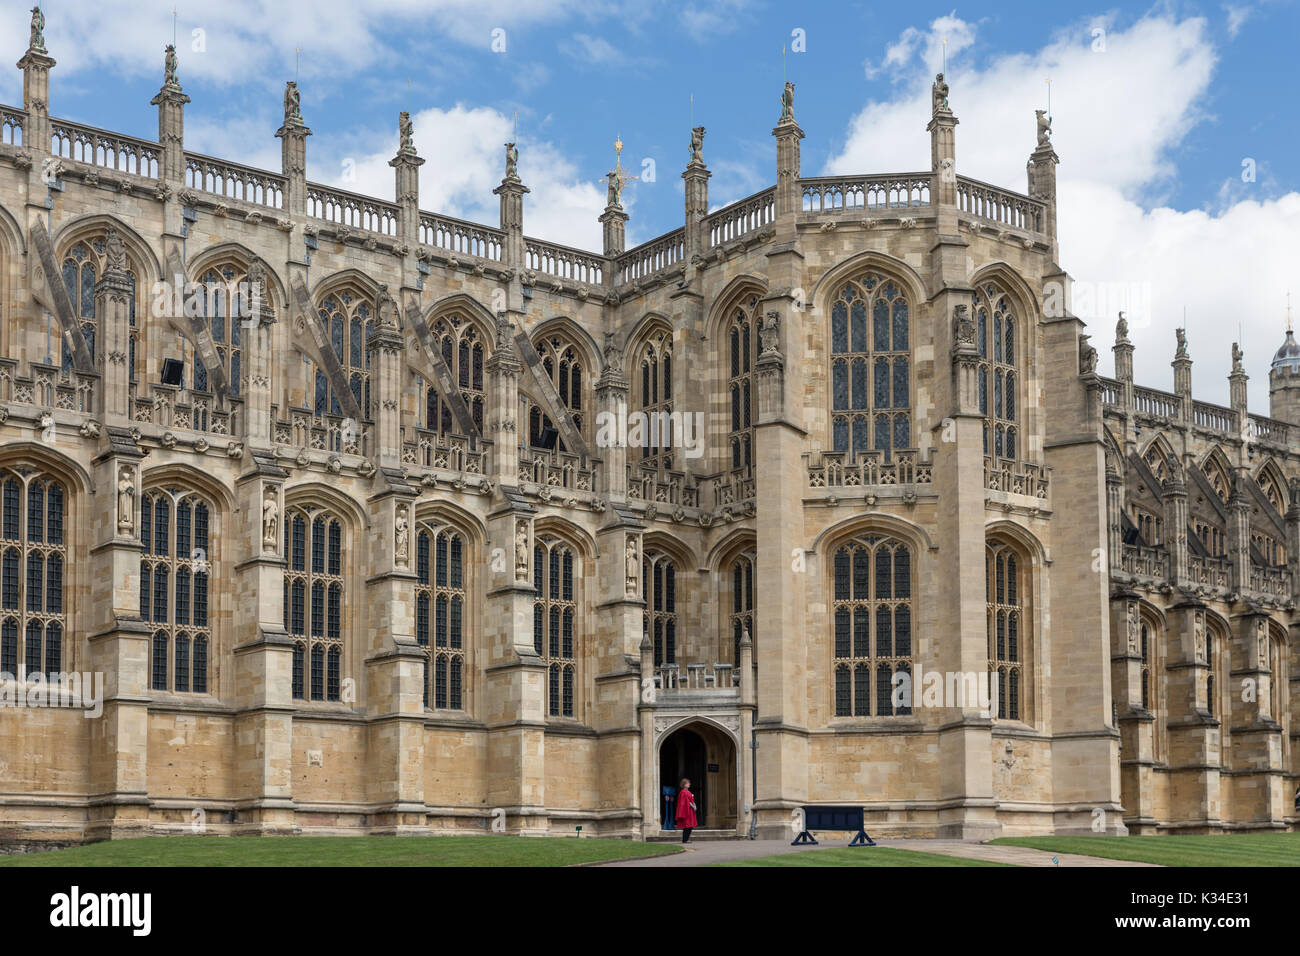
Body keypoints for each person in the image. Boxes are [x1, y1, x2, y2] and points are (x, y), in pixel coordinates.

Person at [674, 778, 698, 844]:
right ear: (684, 784)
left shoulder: (688, 792)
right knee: (687, 826)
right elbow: (686, 802)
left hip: (691, 811)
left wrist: (695, 805)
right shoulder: (683, 792)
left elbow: (692, 800)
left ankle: (686, 839)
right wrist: (693, 806)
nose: (689, 784)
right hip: (687, 811)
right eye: (688, 783)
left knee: (690, 826)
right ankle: (685, 840)